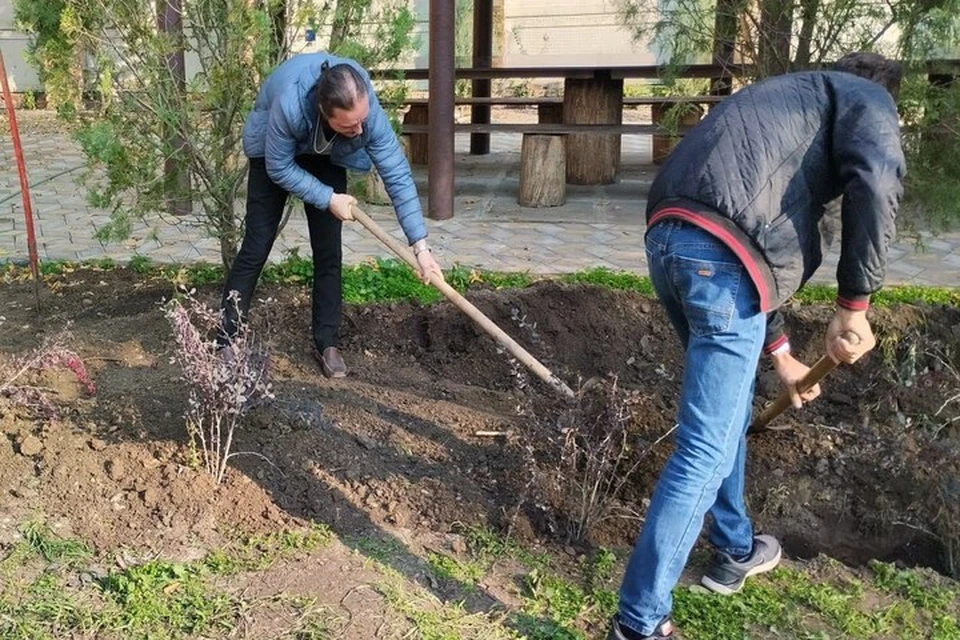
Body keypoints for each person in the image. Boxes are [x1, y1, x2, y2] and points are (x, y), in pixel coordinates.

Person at [608, 52, 906, 639]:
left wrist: (784, 357)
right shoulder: (868, 98)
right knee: (705, 448)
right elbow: (874, 181)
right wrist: (854, 306)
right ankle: (638, 624)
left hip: (669, 237)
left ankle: (733, 546)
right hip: (722, 258)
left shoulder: (788, 98)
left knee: (729, 412)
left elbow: (745, 218)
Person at [221, 53, 444, 377]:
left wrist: (421, 247)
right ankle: (226, 338)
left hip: (328, 153)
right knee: (256, 246)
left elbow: (396, 173)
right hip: (275, 151)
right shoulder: (291, 105)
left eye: (362, 120)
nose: (360, 129)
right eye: (350, 124)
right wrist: (327, 197)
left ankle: (327, 342)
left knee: (329, 252)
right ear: (326, 113)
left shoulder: (364, 114)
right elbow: (278, 166)